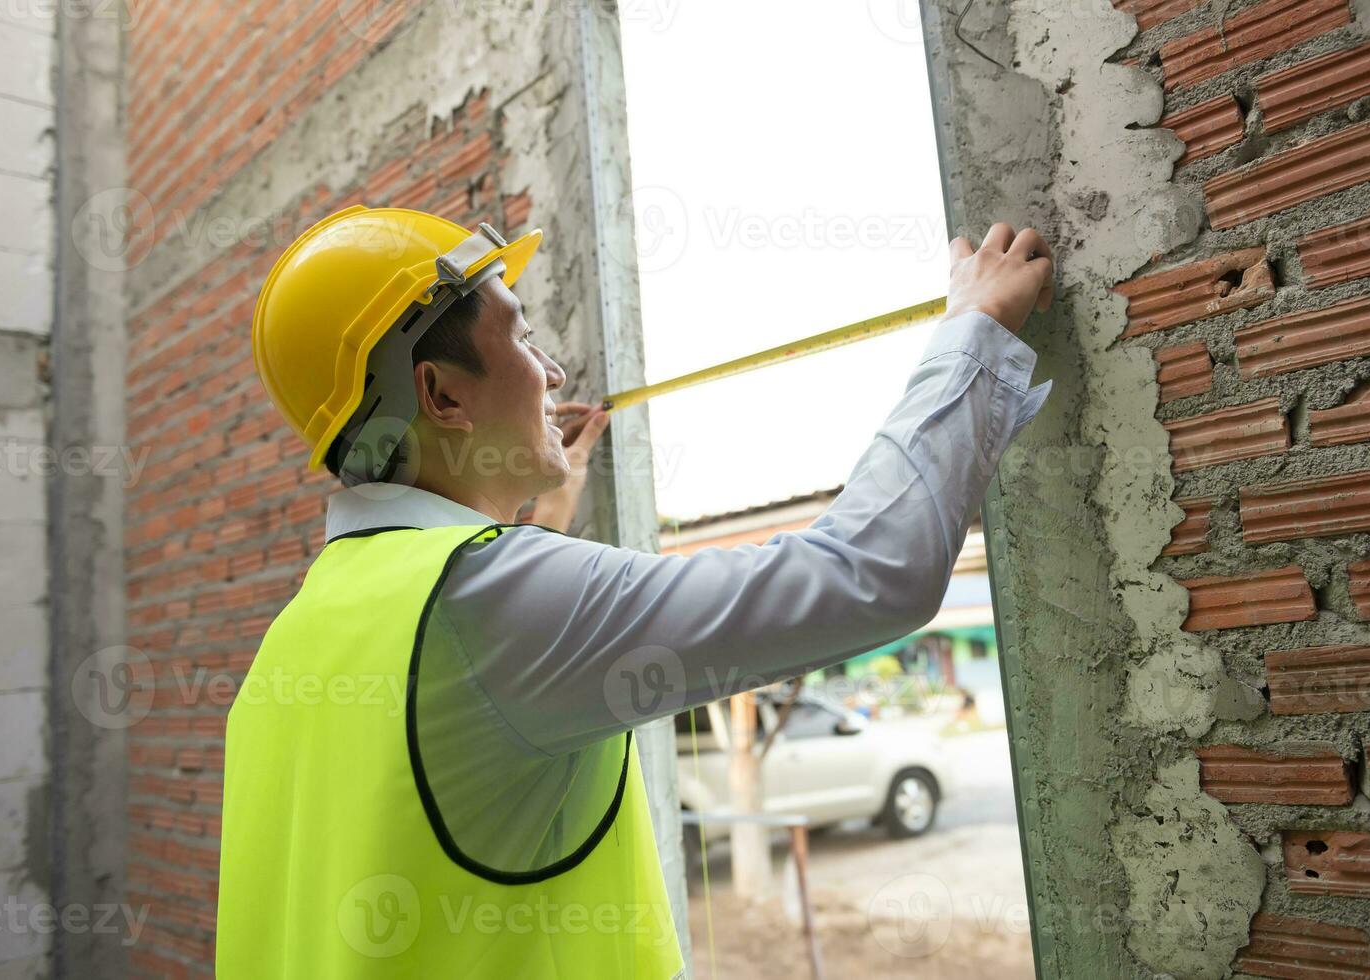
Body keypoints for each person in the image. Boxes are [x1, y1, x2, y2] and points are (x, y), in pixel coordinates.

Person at [216, 205, 1053, 979]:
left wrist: (527, 500)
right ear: (440, 394)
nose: (549, 369)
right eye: (522, 337)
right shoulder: (486, 600)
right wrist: (972, 335)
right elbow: (865, 575)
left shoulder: (296, 644)